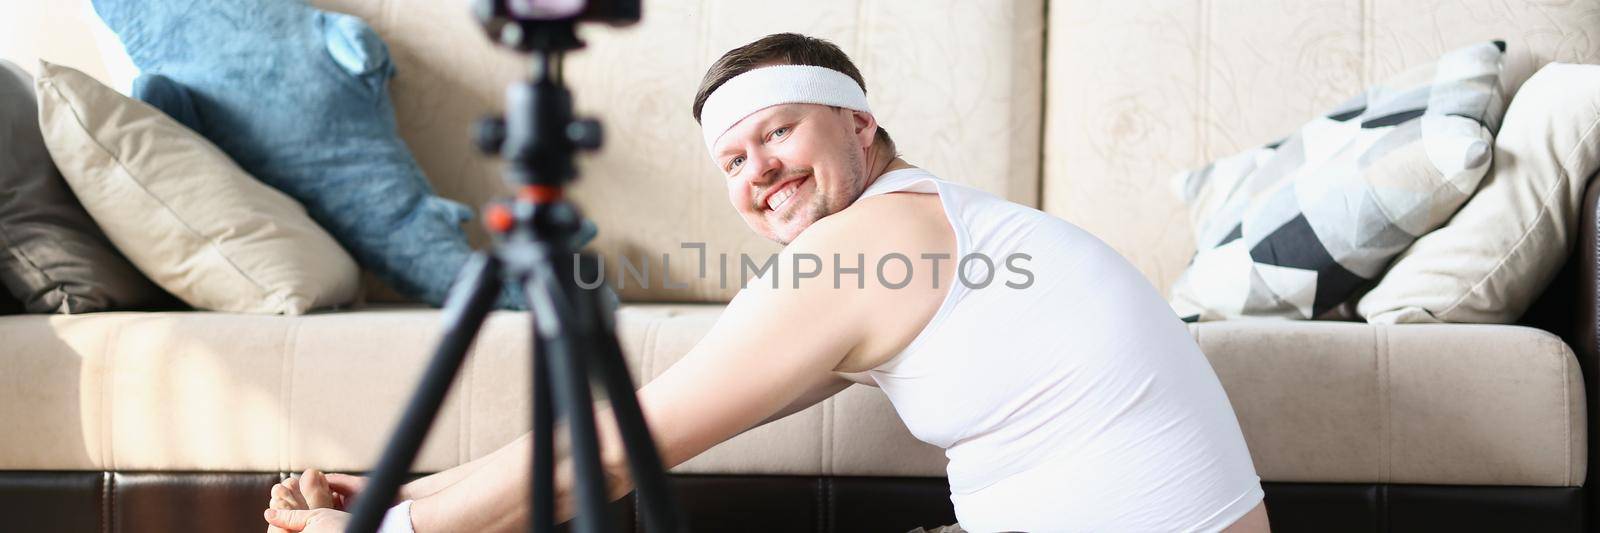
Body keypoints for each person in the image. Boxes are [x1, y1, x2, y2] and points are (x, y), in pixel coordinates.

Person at [262, 33, 1272, 533]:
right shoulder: (919, 225)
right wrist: (408, 491)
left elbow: (620, 445)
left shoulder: (861, 250)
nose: (759, 170)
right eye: (734, 160)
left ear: (860, 126)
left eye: (778, 132)